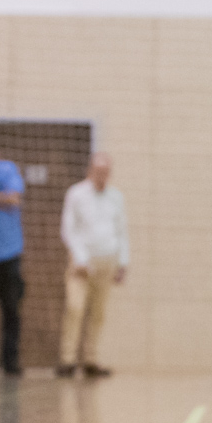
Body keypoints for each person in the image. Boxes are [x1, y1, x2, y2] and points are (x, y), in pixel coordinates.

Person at [58, 152, 129, 378]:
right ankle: (67, 360)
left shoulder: (116, 197)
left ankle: (91, 360)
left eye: (106, 172)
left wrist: (123, 262)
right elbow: (69, 229)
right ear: (90, 171)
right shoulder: (76, 194)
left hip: (107, 261)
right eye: (99, 172)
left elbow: (122, 231)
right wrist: (79, 258)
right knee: (75, 308)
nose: (103, 176)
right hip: (81, 264)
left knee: (98, 313)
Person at [0, 135, 25, 377]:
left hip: (9, 253)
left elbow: (13, 198)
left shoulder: (7, 170)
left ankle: (10, 361)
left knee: (11, 309)